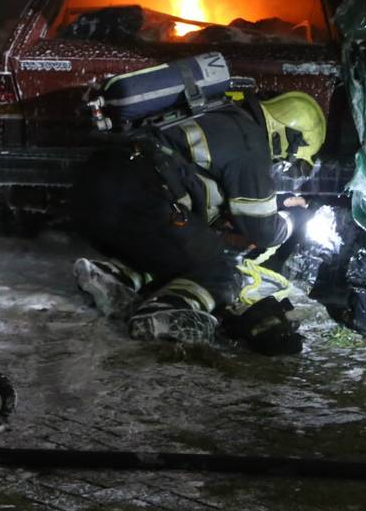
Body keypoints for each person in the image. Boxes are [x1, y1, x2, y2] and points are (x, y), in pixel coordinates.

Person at [71, 91, 326, 356]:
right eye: (288, 159)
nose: (280, 164)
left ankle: (111, 277)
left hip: (92, 196)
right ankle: (163, 311)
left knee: (178, 250)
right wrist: (291, 219)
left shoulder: (222, 115)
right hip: (143, 199)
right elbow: (263, 231)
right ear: (290, 137)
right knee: (221, 269)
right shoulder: (252, 144)